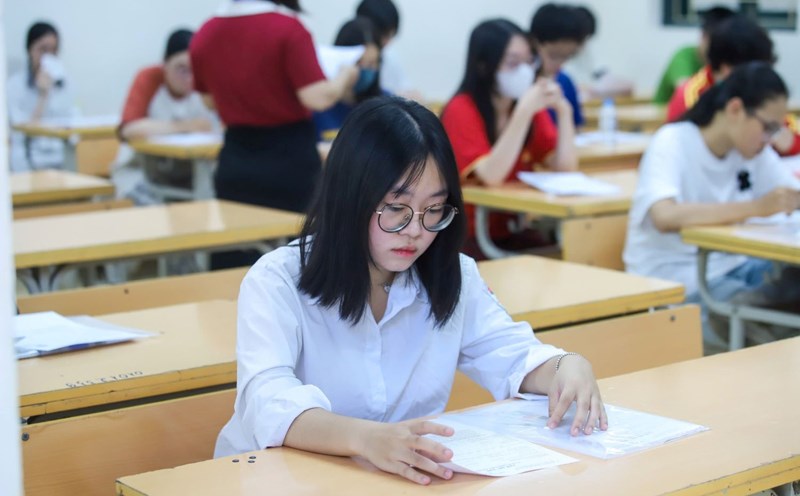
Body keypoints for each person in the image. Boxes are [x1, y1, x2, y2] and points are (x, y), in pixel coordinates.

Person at [214, 96, 607, 484]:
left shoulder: (452, 274)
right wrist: (367, 440)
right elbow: (268, 403)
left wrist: (564, 366)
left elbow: (510, 353)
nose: (417, 230)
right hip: (277, 480)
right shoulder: (278, 280)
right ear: (350, 198)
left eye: (434, 209)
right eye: (397, 208)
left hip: (391, 480)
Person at [624, 62, 800, 346]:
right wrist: (755, 208)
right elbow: (664, 216)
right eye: (767, 127)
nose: (770, 138)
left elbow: (790, 194)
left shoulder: (753, 150)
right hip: (679, 280)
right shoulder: (673, 141)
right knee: (771, 312)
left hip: (738, 267)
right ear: (735, 109)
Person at [190, 0, 358, 269]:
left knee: (235, 258)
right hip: (288, 161)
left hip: (237, 159)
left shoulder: (206, 32)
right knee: (299, 262)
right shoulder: (288, 27)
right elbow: (317, 97)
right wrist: (345, 77)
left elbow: (209, 101)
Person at [440, 19, 577, 259]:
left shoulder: (525, 108)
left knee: (564, 256)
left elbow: (565, 168)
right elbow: (491, 175)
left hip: (512, 228)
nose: (524, 71)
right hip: (469, 234)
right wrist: (523, 113)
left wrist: (563, 111)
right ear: (484, 66)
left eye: (529, 61)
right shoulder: (461, 109)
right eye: (513, 63)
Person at [666, 15, 799, 156]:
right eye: (757, 72)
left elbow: (788, 130)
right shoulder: (691, 96)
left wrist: (790, 143)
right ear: (727, 69)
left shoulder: (759, 97)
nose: (763, 79)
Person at [113, 29, 219, 205]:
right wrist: (185, 126)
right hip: (144, 172)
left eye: (194, 70)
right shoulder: (149, 77)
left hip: (192, 173)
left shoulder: (204, 82)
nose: (189, 78)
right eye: (181, 69)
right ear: (165, 65)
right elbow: (128, 130)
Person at [7, 21, 77, 172]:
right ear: (29, 50)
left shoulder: (64, 83)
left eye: (53, 51)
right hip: (27, 162)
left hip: (59, 161)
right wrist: (42, 95)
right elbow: (23, 133)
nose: (48, 58)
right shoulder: (14, 86)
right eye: (43, 50)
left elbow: (74, 129)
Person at [312, 17, 383, 142]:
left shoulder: (385, 105)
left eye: (372, 63)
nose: (366, 71)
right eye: (359, 63)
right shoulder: (318, 105)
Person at [652, 6, 735, 106]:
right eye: (717, 42)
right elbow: (685, 90)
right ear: (704, 36)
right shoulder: (683, 56)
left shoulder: (724, 63)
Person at [529, 3, 593, 128]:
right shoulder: (520, 86)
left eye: (567, 57)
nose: (560, 64)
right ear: (534, 44)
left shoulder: (565, 82)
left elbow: (576, 129)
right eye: (553, 56)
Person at [355, 0, 420, 100]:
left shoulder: (389, 56)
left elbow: (406, 90)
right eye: (385, 35)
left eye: (391, 36)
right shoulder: (346, 56)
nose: (388, 42)